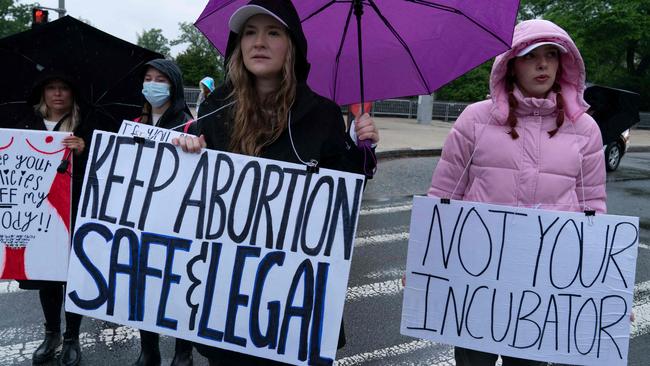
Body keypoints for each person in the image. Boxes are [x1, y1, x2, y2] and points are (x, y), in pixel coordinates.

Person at [174, 0, 379, 364]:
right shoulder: (216, 107)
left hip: (291, 301)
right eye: (249, 33)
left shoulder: (323, 114)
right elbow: (194, 196)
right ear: (237, 47)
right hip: (226, 295)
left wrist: (362, 153)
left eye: (273, 32)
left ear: (292, 45)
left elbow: (342, 201)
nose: (259, 42)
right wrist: (186, 152)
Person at [427, 19, 606, 366]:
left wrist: (603, 288)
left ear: (563, 62)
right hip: (476, 277)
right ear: (510, 63)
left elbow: (592, 209)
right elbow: (443, 195)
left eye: (551, 55)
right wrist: (426, 259)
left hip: (543, 283)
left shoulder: (585, 129)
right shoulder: (474, 119)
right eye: (530, 56)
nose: (543, 65)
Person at [15, 73, 89, 366]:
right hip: (36, 214)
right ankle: (51, 334)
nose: (57, 94)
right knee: (46, 276)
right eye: (51, 88)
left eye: (64, 88)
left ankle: (72, 337)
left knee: (72, 277)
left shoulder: (85, 125)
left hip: (72, 212)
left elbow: (101, 168)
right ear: (42, 93)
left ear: (72, 94)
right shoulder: (24, 121)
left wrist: (83, 150)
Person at [131, 58, 194, 366]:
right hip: (141, 218)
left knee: (180, 283)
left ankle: (183, 353)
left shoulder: (189, 124)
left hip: (178, 220)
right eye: (148, 78)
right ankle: (149, 348)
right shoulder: (135, 124)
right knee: (145, 283)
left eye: (161, 79)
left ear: (174, 85)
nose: (152, 85)